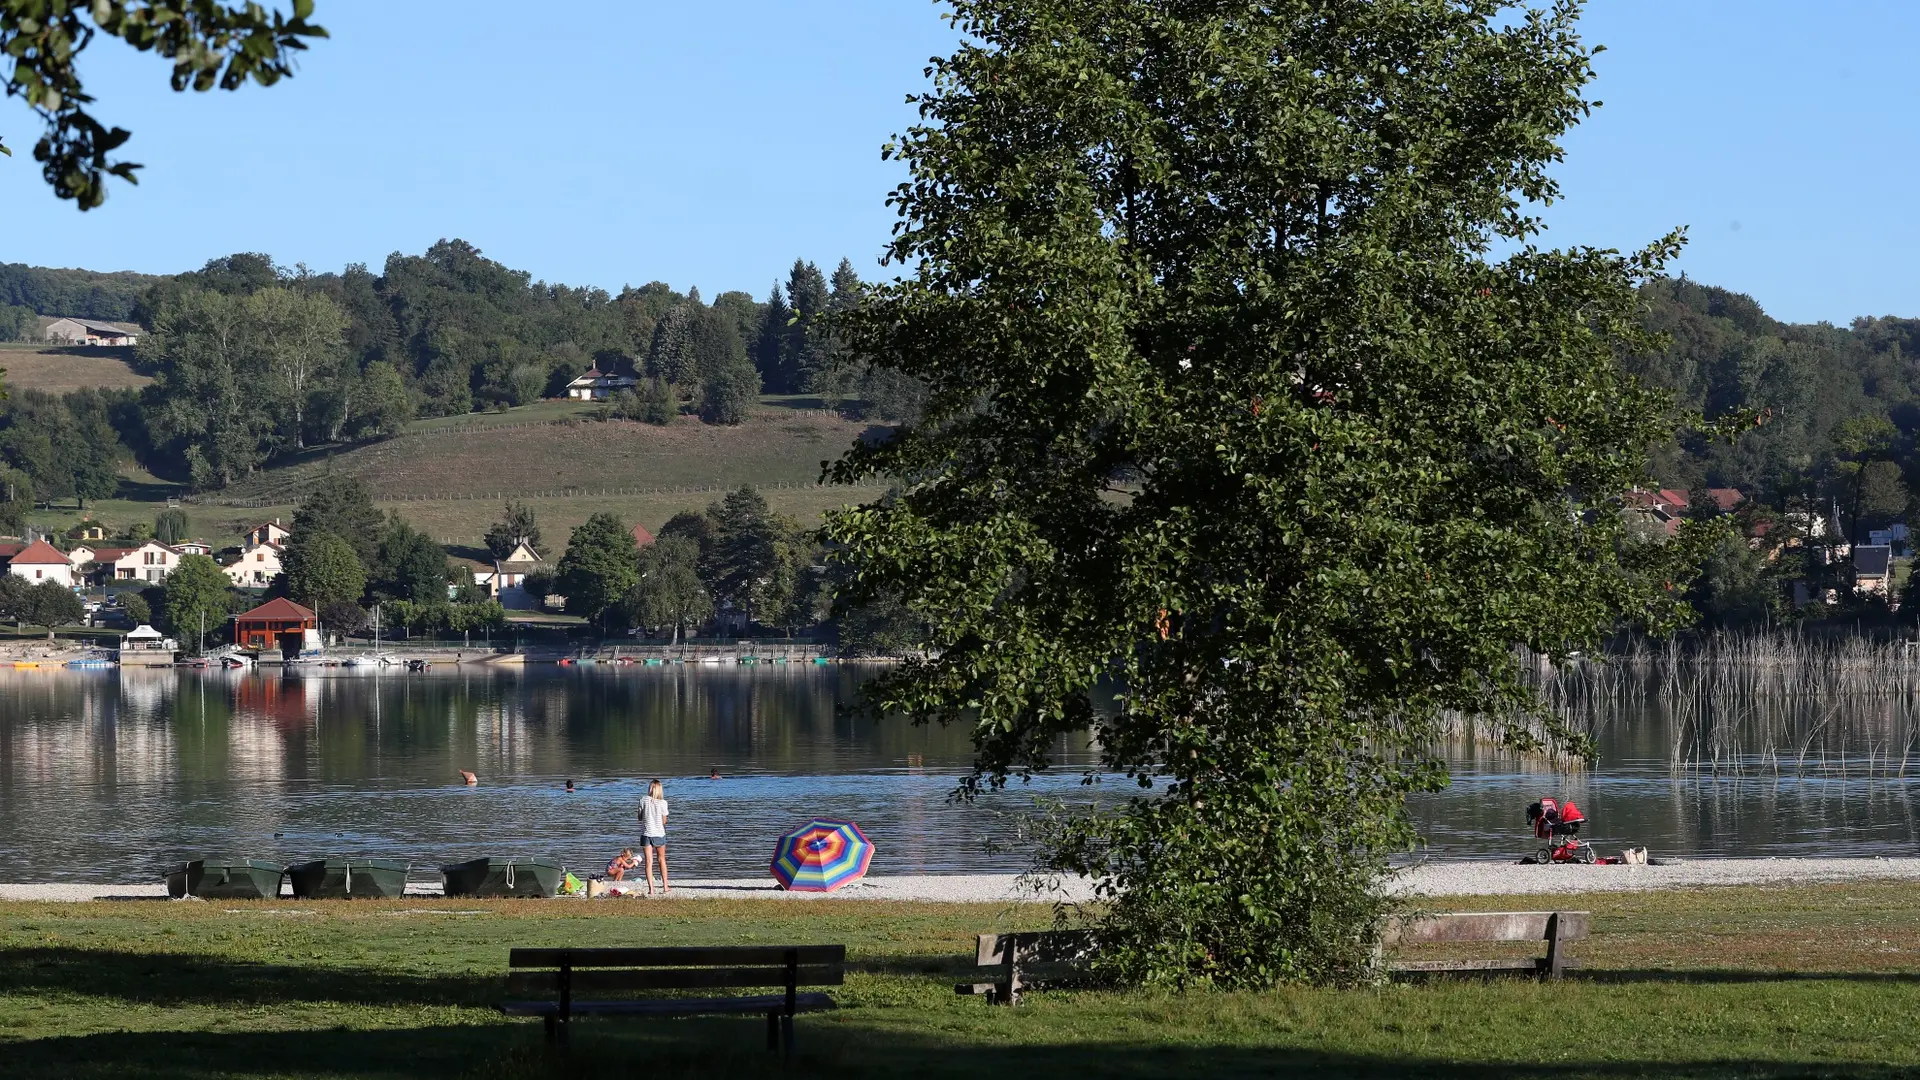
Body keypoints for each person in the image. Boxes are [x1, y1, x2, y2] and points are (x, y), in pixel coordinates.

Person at [638, 779, 670, 895]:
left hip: (646, 834)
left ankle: (651, 889)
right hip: (659, 834)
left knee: (648, 862)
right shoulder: (663, 803)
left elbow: (640, 817)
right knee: (661, 859)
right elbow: (664, 821)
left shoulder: (643, 800)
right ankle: (665, 886)